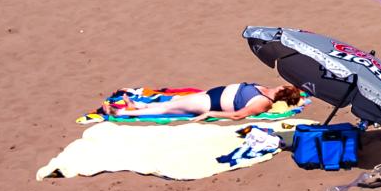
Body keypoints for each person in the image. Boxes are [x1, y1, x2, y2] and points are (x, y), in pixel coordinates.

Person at [105, 84, 305, 121]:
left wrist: (211, 114)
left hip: (208, 105)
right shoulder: (264, 89)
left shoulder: (265, 102)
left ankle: (121, 113)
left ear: (282, 92)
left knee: (168, 107)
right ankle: (138, 107)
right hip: (209, 96)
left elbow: (239, 115)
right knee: (173, 103)